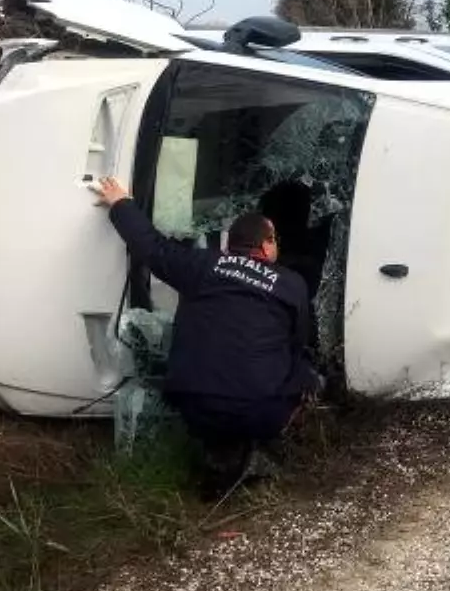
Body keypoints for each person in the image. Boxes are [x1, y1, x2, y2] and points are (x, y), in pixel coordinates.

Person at [93, 176, 320, 497]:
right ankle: (258, 448)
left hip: (192, 406)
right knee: (306, 369)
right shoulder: (291, 284)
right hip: (261, 412)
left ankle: (219, 450)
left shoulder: (201, 265)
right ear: (268, 245)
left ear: (228, 245)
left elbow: (150, 246)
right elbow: (298, 343)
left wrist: (120, 203)